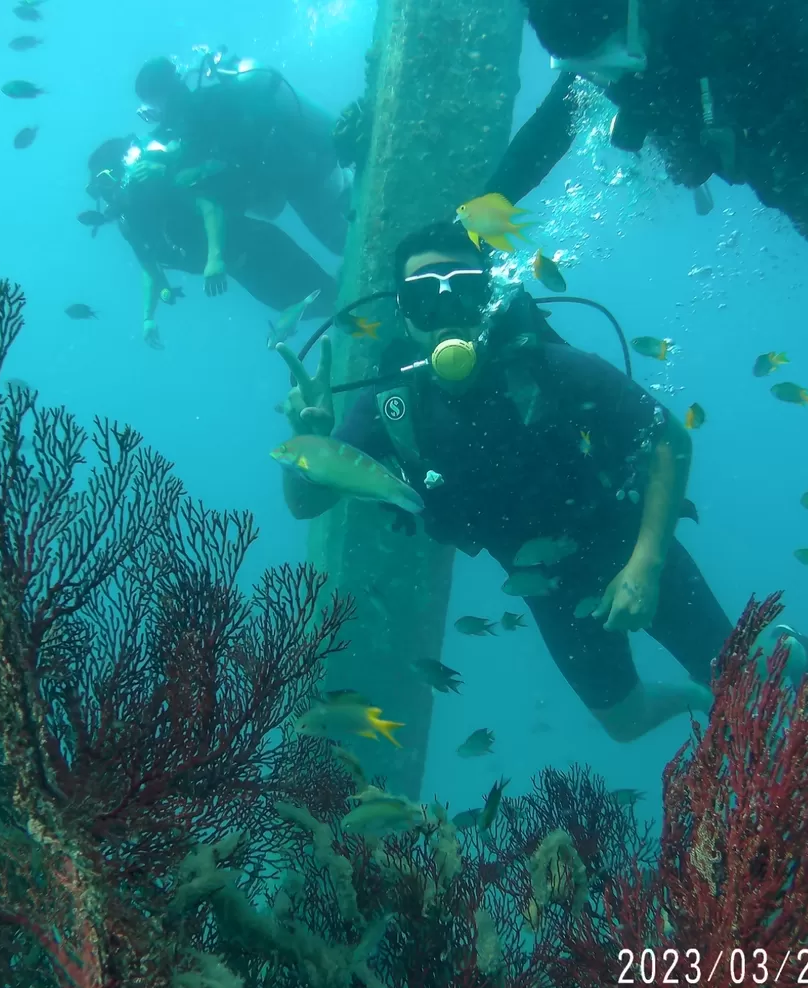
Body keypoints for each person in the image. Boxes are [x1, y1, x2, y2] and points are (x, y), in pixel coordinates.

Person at [274, 222, 732, 742]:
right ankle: (697, 698)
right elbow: (304, 505)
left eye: (463, 288)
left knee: (743, 672)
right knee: (625, 724)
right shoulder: (391, 405)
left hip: (628, 544)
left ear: (487, 294)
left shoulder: (545, 365)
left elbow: (668, 439)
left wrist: (645, 565)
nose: (446, 310)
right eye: (425, 296)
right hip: (547, 585)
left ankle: (801, 684)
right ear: (402, 311)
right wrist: (307, 444)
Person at [488, 0, 808, 297]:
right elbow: (552, 125)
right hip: (795, 174)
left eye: (608, 62)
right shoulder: (600, 43)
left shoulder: (738, 9)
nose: (608, 82)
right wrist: (487, 201)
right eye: (586, 71)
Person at [85, 137, 336, 348]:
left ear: (120, 173)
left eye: (105, 182)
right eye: (96, 190)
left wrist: (214, 259)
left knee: (327, 294)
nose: (104, 195)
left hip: (260, 245)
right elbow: (149, 263)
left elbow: (209, 207)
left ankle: (366, 312)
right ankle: (362, 323)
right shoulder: (129, 224)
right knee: (305, 310)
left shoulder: (155, 187)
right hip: (244, 273)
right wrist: (148, 318)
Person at [133, 52, 352, 258]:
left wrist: (183, 166)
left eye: (152, 102)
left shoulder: (203, 108)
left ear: (160, 95)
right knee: (341, 234)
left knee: (343, 233)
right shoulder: (199, 108)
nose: (152, 111)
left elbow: (222, 148)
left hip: (301, 170)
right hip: (296, 172)